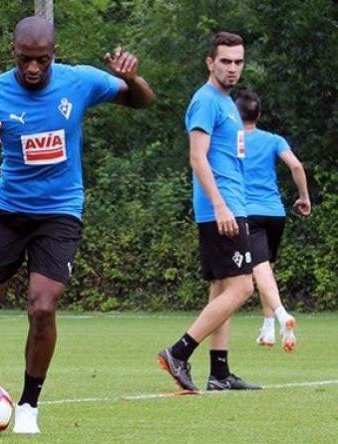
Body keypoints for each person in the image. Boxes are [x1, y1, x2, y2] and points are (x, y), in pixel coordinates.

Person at [0, 16, 154, 434]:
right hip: (7, 212)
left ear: (53, 55)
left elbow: (142, 103)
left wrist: (132, 80)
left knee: (43, 306)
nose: (34, 68)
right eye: (26, 59)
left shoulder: (79, 82)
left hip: (60, 212)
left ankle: (28, 405)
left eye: (42, 60)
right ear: (13, 53)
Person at [157, 32, 261, 392]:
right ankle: (178, 352)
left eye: (238, 62)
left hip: (233, 204)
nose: (232, 68)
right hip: (222, 208)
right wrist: (220, 205)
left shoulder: (227, 102)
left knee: (221, 288)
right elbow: (197, 157)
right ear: (210, 62)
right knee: (242, 287)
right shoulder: (205, 101)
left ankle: (219, 373)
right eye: (226, 61)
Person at [235, 90, 311, 351]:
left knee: (258, 269)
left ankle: (281, 315)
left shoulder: (233, 141)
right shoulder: (273, 139)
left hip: (248, 213)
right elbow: (296, 166)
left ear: (236, 114)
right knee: (265, 267)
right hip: (275, 214)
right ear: (259, 114)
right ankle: (267, 329)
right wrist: (304, 197)